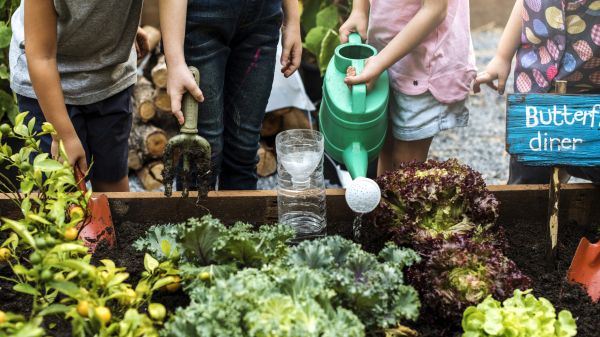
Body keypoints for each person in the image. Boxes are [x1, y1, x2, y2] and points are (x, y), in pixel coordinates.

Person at [160, 0, 302, 190]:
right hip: (202, 16)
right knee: (202, 150)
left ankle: (238, 218)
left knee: (244, 149)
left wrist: (292, 20)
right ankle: (194, 219)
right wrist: (175, 61)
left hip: (263, 19)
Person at [9, 0, 149, 192]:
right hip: (46, 85)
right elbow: (41, 57)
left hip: (109, 78)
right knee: (61, 190)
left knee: (112, 181)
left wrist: (117, 25)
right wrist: (64, 135)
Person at [340, 0, 476, 175]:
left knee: (405, 163)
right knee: (384, 146)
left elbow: (435, 10)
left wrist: (379, 63)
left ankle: (399, 201)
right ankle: (385, 200)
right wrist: (360, 9)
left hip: (425, 66)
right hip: (384, 54)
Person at [474, 0, 600, 184]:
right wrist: (502, 56)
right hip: (537, 89)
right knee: (530, 177)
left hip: (590, 93)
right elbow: (524, 4)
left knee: (592, 161)